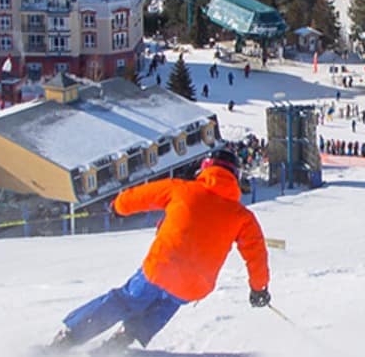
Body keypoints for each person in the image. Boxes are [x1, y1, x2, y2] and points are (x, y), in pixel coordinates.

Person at [50, 150, 270, 351]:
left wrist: (118, 206)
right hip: (196, 284)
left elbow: (142, 195)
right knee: (169, 303)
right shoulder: (243, 216)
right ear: (235, 177)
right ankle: (124, 340)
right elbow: (256, 253)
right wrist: (258, 288)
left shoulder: (181, 189)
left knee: (127, 300)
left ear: (205, 168)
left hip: (162, 266)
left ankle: (71, 337)